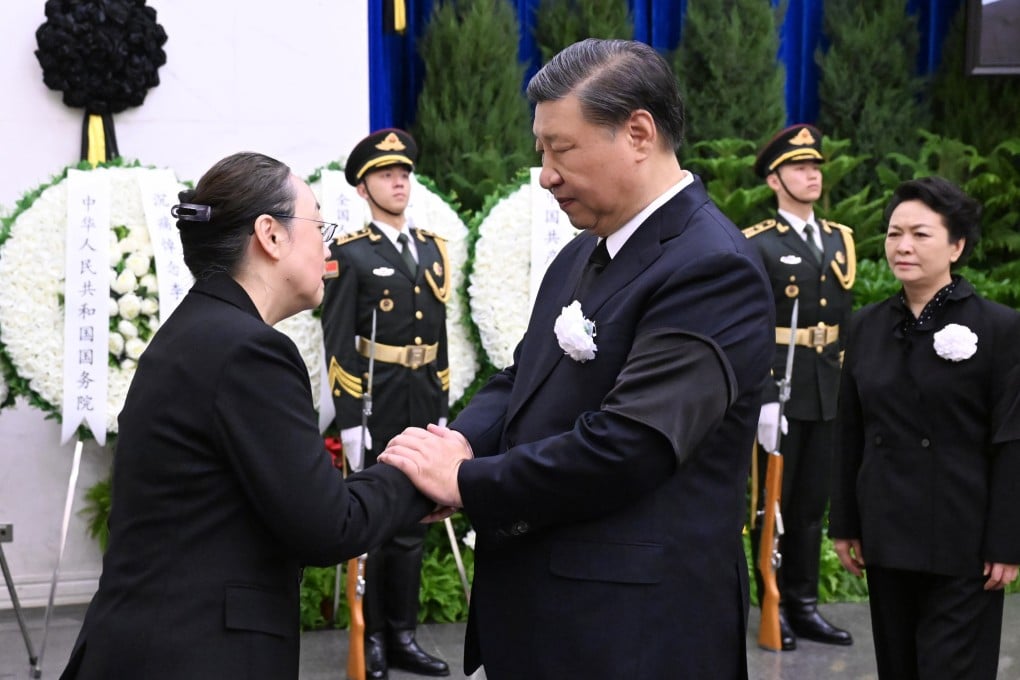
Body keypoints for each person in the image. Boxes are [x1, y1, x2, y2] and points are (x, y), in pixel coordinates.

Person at [378, 38, 775, 679]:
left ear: (638, 133)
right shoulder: (585, 250)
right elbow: (522, 379)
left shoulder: (711, 268)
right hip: (550, 617)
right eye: (542, 151)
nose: (545, 174)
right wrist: (450, 448)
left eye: (561, 149)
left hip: (633, 633)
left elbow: (631, 444)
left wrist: (466, 483)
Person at [59, 152, 434, 680]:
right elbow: (329, 527)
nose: (328, 244)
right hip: (194, 654)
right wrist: (422, 475)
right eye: (318, 224)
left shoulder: (198, 330)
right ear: (271, 235)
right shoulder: (248, 350)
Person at [830, 176, 1020, 679]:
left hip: (963, 536)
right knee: (899, 666)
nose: (903, 246)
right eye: (894, 234)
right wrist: (845, 523)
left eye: (920, 234)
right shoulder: (868, 325)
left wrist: (1007, 540)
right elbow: (850, 428)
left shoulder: (999, 328)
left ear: (956, 245)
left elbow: (1011, 440)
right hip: (887, 528)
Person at [320, 129, 451, 679]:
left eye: (404, 173)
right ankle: (371, 636)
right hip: (375, 398)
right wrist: (349, 419)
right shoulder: (349, 253)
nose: (398, 181)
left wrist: (442, 401)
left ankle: (402, 635)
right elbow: (337, 337)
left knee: (415, 520)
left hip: (421, 393)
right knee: (375, 521)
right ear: (363, 186)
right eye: (385, 174)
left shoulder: (431, 245)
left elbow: (438, 329)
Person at [743, 124, 855, 650]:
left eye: (815, 167)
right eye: (798, 167)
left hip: (825, 386)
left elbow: (843, 322)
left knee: (811, 504)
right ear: (774, 179)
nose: (812, 175)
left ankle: (805, 604)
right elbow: (750, 327)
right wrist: (764, 397)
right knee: (772, 504)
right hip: (780, 390)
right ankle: (773, 601)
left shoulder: (839, 240)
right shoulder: (759, 244)